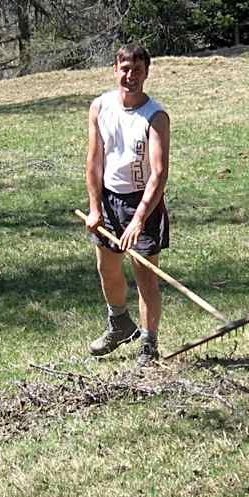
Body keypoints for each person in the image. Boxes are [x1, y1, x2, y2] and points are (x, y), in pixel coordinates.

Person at [84, 44, 170, 367]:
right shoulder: (100, 107)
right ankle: (119, 323)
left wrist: (138, 219)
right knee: (107, 267)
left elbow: (159, 174)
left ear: (146, 73)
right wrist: (95, 208)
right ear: (115, 69)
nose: (130, 76)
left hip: (143, 202)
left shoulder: (156, 117)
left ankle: (148, 344)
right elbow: (93, 162)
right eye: (125, 69)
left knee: (145, 276)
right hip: (109, 198)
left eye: (137, 70)